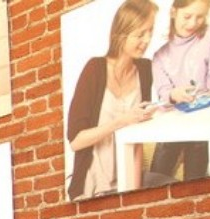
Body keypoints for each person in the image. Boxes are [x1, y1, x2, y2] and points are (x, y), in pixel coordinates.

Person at [66, 0, 159, 200]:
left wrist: (134, 191)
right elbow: (76, 141)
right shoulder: (95, 69)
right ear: (121, 34)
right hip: (92, 187)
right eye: (140, 34)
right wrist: (121, 121)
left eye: (150, 31)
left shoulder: (145, 70)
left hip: (127, 181)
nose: (147, 40)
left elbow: (137, 139)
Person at [151, 0, 210, 180]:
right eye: (187, 16)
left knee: (195, 178)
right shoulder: (159, 53)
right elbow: (163, 92)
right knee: (156, 177)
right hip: (173, 122)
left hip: (203, 120)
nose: (193, 23)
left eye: (200, 17)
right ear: (173, 12)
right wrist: (173, 94)